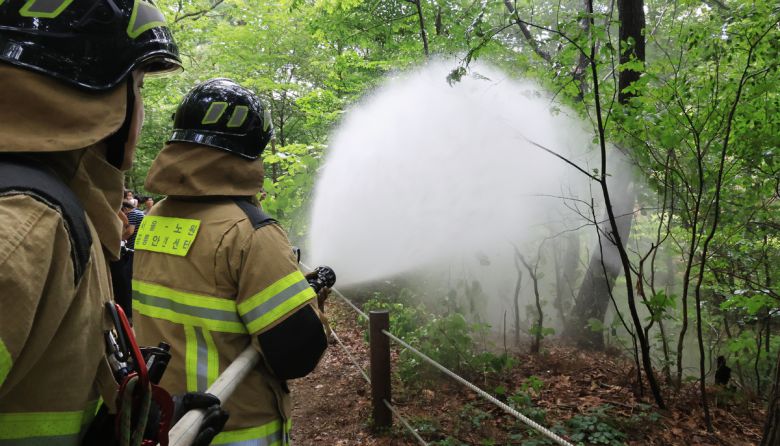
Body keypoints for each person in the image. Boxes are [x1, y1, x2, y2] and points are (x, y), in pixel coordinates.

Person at [0, 3, 225, 444]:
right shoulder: (29, 226)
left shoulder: (68, 213)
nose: (140, 107)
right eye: (137, 85)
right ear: (94, 93)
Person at [132, 78, 329, 445]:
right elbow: (297, 354)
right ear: (252, 148)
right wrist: (312, 303)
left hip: (162, 422)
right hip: (235, 430)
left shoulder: (156, 217)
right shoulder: (249, 233)